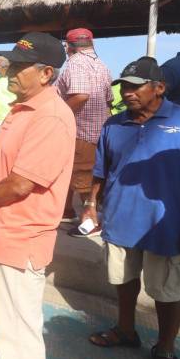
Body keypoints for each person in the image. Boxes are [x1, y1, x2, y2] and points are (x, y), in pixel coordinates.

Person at [0, 32, 75, 359]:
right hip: (5, 233)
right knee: (7, 328)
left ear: (46, 74)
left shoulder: (50, 115)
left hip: (22, 237)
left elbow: (21, 182)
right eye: (13, 62)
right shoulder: (21, 109)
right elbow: (1, 161)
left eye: (22, 66)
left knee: (17, 333)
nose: (12, 70)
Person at [82, 57, 180, 359]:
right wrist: (91, 204)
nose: (128, 93)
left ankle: (166, 347)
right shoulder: (113, 124)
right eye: (124, 86)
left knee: (167, 290)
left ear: (159, 87)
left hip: (166, 226)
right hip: (121, 218)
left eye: (136, 87)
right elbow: (101, 170)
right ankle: (126, 330)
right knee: (123, 280)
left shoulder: (179, 121)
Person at [54, 28, 113, 229]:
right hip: (99, 132)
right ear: (91, 43)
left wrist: (58, 114)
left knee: (84, 181)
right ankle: (66, 210)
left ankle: (90, 222)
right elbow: (109, 100)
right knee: (73, 173)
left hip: (81, 132)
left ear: (68, 46)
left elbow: (80, 95)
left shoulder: (75, 62)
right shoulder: (102, 64)